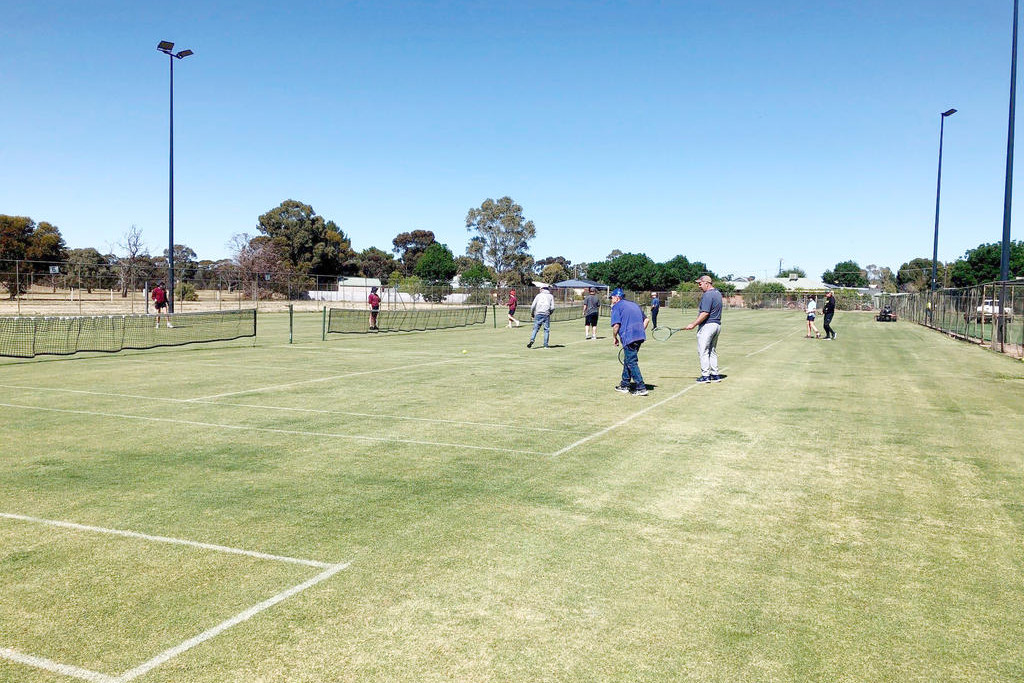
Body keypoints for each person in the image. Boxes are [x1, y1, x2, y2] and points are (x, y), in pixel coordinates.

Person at [683, 275, 722, 383]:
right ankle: (715, 374)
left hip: (708, 326)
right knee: (712, 351)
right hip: (717, 325)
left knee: (703, 351)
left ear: (706, 283)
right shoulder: (718, 293)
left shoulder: (708, 295)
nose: (699, 286)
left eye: (700, 283)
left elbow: (705, 313)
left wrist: (693, 324)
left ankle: (705, 376)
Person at [610, 288, 649, 395]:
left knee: (631, 362)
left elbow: (616, 325)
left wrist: (614, 337)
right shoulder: (634, 304)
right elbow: (646, 320)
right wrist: (641, 330)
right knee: (628, 359)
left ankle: (641, 387)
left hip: (629, 337)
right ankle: (624, 385)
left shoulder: (616, 307)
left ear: (617, 298)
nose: (611, 299)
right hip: (640, 336)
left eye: (612, 297)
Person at [527, 284, 555, 348]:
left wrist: (532, 314)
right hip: (546, 314)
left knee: (535, 329)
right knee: (546, 330)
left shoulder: (538, 296)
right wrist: (549, 313)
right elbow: (552, 307)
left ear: (542, 289)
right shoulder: (550, 296)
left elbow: (533, 306)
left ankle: (532, 339)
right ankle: (545, 345)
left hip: (538, 314)